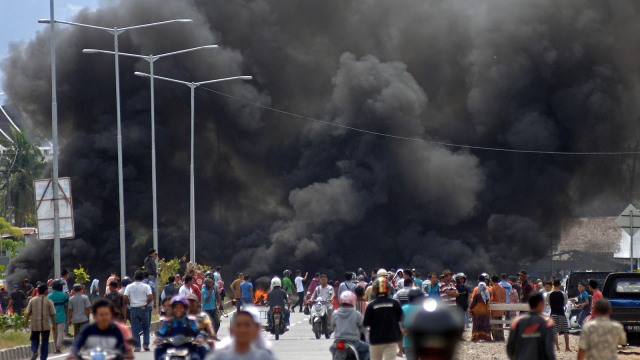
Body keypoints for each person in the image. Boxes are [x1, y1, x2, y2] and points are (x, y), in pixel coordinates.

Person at [69, 299, 133, 360]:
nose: (104, 317)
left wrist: (126, 354)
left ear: (111, 315)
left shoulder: (115, 330)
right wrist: (72, 354)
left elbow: (122, 348)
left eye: (107, 314)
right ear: (94, 316)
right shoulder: (88, 330)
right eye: (101, 315)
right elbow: (77, 344)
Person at [206, 307, 276, 360]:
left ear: (256, 330)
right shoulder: (219, 356)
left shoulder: (264, 356)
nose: (243, 330)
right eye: (238, 325)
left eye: (247, 325)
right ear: (231, 330)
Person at [506, 291, 555, 360]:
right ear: (541, 304)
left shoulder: (516, 322)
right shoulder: (547, 322)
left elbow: (510, 348)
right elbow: (549, 349)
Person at [155, 296, 208, 360]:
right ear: (172, 308)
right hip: (170, 348)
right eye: (176, 307)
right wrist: (158, 339)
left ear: (185, 308)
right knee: (158, 351)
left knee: (199, 353)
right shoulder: (168, 322)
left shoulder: (190, 320)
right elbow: (161, 332)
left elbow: (197, 332)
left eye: (181, 307)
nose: (178, 310)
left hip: (189, 348)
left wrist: (199, 337)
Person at [363, 277, 403, 360]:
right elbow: (401, 319)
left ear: (375, 290)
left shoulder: (371, 305)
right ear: (388, 289)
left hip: (375, 341)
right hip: (391, 340)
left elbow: (366, 324)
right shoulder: (395, 303)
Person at [331, 291, 370, 360]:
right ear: (353, 301)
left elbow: (332, 326)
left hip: (338, 341)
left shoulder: (335, 314)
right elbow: (362, 326)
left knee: (331, 348)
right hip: (353, 341)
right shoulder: (356, 314)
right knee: (367, 348)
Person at [24, 283, 56, 360]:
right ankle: (43, 358)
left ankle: (35, 351)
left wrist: (26, 323)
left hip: (35, 325)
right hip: (46, 325)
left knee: (34, 339)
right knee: (45, 342)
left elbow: (28, 312)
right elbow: (52, 314)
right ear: (45, 291)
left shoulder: (32, 300)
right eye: (47, 290)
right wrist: (54, 324)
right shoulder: (49, 301)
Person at [123, 270, 153, 352]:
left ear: (134, 277)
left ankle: (137, 347)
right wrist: (145, 304)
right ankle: (146, 344)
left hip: (133, 308)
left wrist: (129, 303)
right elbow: (150, 297)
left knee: (135, 329)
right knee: (146, 327)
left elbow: (125, 298)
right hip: (144, 308)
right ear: (143, 278)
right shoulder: (146, 286)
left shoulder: (129, 286)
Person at [400, 289, 425, 360]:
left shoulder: (403, 309)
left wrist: (403, 330)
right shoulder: (426, 308)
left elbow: (399, 323)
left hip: (408, 343)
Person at [548, 279, 571, 352]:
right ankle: (567, 347)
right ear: (560, 285)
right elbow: (564, 304)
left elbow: (548, 303)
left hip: (553, 313)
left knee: (554, 331)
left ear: (553, 285)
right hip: (561, 313)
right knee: (565, 330)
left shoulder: (549, 294)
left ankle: (557, 347)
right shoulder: (563, 294)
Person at [47, 280, 68, 353]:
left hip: (52, 318)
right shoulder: (64, 295)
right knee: (60, 332)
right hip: (61, 316)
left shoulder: (49, 296)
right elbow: (66, 306)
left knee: (54, 333)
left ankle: (56, 348)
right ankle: (58, 346)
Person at [490, 275, 506, 341]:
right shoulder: (502, 288)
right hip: (502, 307)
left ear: (492, 280)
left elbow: (491, 299)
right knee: (500, 323)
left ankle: (497, 338)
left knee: (495, 323)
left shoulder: (493, 288)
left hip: (495, 308)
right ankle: (502, 337)